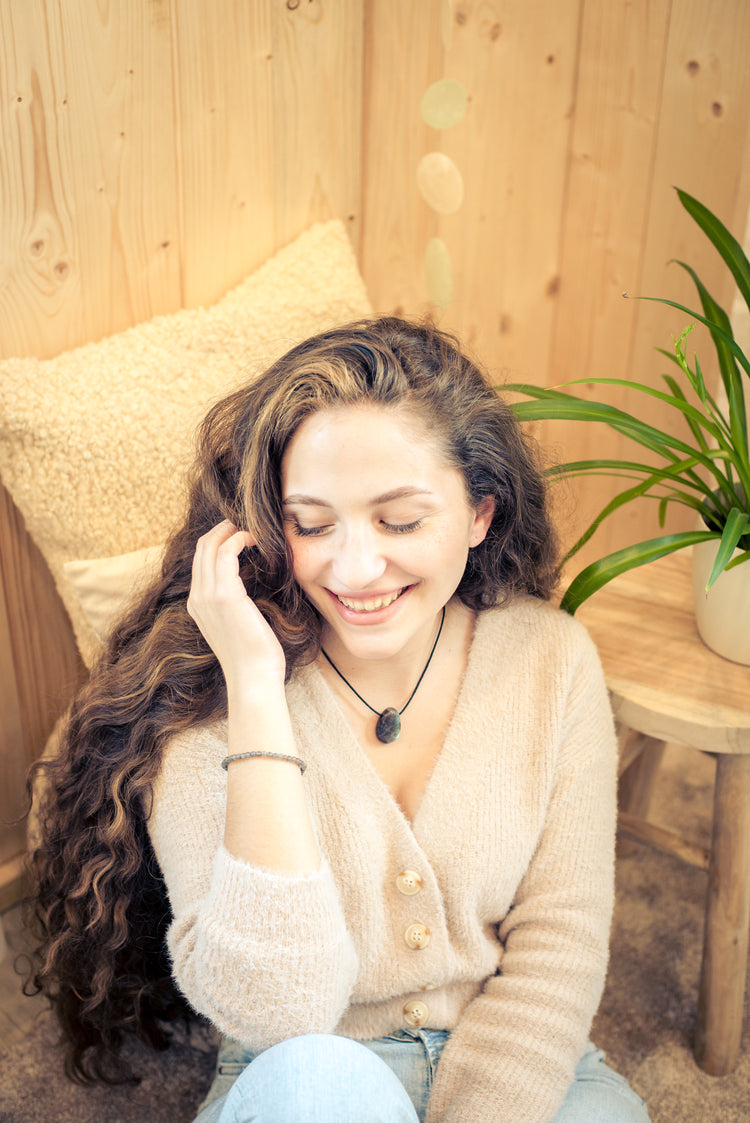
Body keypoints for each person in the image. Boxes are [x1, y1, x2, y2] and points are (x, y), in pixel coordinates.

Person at [26, 317, 649, 1122]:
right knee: (321, 1079)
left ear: (480, 513)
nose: (354, 569)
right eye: (312, 524)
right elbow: (278, 1014)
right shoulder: (202, 688)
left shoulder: (553, 661)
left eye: (400, 520)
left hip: (527, 1066)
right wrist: (253, 688)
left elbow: (560, 945)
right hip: (303, 1075)